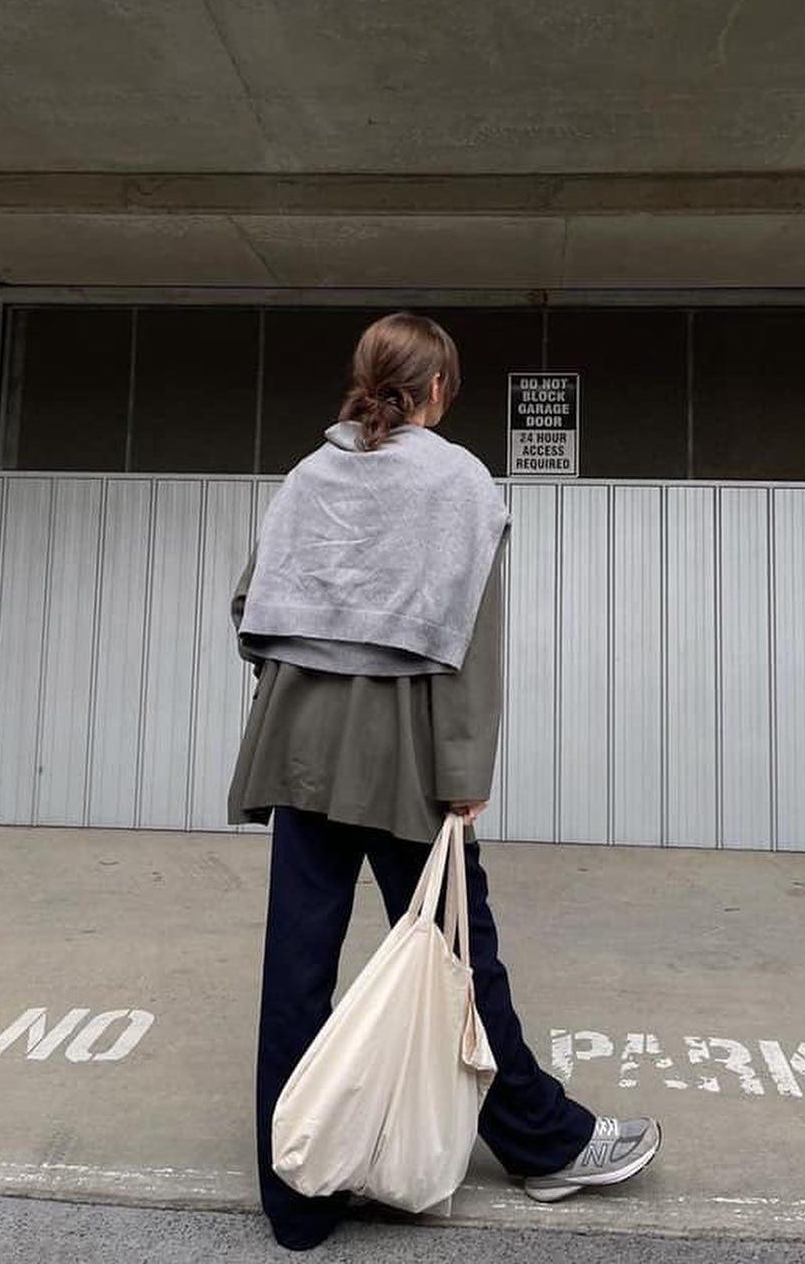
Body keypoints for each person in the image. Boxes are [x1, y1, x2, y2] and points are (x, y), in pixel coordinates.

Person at [228, 312, 661, 1252]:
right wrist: (465, 772)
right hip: (407, 757)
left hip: (298, 742)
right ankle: (544, 1146)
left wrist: (320, 647)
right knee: (462, 960)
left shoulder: (309, 475)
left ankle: (295, 1197)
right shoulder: (458, 482)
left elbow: (247, 605)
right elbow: (470, 646)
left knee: (296, 967)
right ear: (437, 390)